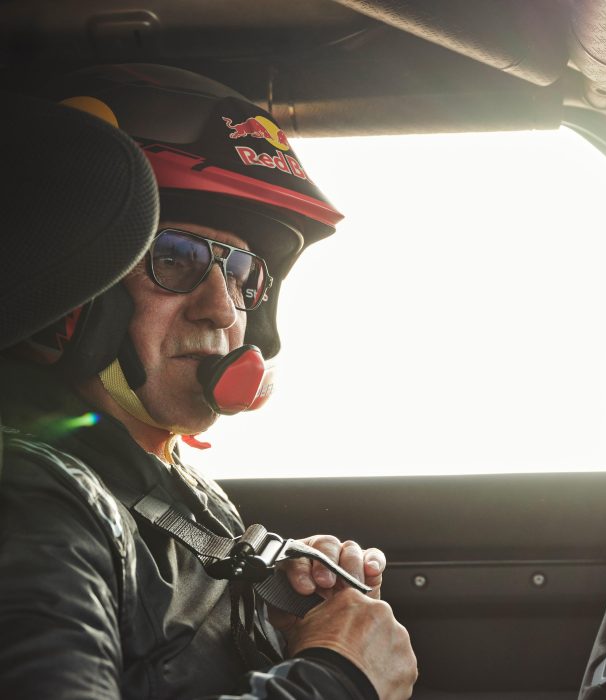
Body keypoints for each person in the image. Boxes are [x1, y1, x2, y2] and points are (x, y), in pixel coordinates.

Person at [0, 64, 417, 700]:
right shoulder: (30, 499)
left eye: (243, 272)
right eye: (175, 258)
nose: (223, 310)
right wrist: (335, 679)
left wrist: (282, 622)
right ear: (78, 293)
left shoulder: (164, 482)